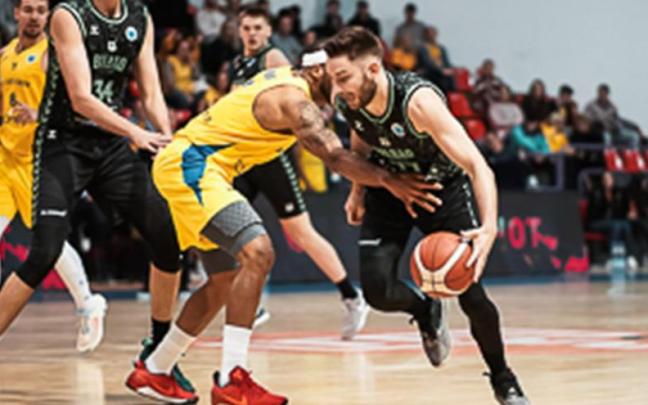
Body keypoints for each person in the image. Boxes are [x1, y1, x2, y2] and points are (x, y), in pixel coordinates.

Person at [125, 51, 441, 403]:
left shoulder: (285, 77)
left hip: (193, 167)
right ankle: (232, 378)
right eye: (338, 78)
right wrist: (388, 180)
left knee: (224, 280)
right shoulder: (295, 101)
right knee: (258, 252)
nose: (342, 88)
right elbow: (335, 156)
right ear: (317, 70)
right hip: (193, 167)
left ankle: (156, 369)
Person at [324, 27, 529, 405]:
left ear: (373, 69)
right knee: (377, 292)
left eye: (343, 78)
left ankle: (504, 379)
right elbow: (361, 137)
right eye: (332, 79)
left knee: (471, 295)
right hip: (389, 189)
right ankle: (425, 308)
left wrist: (488, 228)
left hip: (440, 190)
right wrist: (357, 190)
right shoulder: (350, 99)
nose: (336, 89)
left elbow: (478, 167)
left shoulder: (418, 102)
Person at [0, 0, 191, 393]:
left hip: (110, 144)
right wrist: (136, 132)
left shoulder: (139, 17)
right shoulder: (68, 15)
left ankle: (158, 357)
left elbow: (151, 91)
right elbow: (81, 98)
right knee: (45, 251)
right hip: (62, 144)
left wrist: (168, 139)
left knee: (167, 237)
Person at [228, 6, 369, 335]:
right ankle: (252, 303)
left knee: (303, 233)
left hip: (271, 159)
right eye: (246, 27)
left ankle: (351, 296)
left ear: (268, 31)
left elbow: (294, 104)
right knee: (226, 225)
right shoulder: (238, 63)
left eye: (257, 27)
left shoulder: (273, 58)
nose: (251, 33)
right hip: (244, 159)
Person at [0, 0, 106, 353]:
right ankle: (88, 303)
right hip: (5, 159)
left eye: (40, 10)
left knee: (50, 243)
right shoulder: (5, 55)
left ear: (48, 16)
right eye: (28, 9)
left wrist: (38, 114)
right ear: (16, 13)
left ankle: (88, 303)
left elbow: (76, 104)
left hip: (38, 160)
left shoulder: (55, 54)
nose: (34, 16)